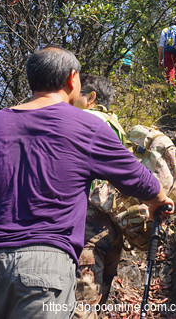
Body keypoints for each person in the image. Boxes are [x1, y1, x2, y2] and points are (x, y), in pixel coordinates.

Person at [0, 46, 174, 318]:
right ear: (72, 79)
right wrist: (159, 199)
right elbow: (134, 176)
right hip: (42, 266)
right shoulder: (85, 126)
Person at [73, 75, 128, 319]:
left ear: (91, 97)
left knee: (81, 309)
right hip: (113, 228)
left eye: (75, 95)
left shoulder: (86, 121)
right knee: (96, 304)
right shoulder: (115, 126)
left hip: (88, 229)